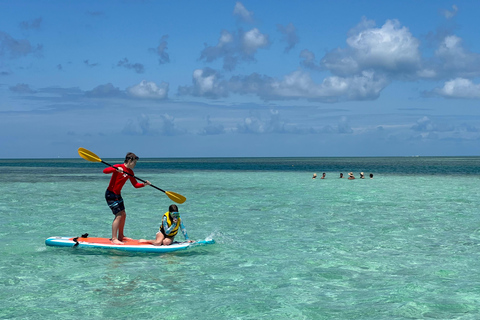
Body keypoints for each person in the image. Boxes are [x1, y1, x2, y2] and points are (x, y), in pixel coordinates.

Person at [104, 152, 151, 244]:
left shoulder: (130, 172)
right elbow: (105, 171)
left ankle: (121, 236)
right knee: (118, 215)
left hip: (118, 194)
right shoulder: (119, 166)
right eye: (134, 162)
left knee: (123, 214)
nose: (135, 164)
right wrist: (115, 169)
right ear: (130, 160)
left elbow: (135, 185)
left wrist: (144, 184)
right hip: (111, 194)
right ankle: (114, 239)